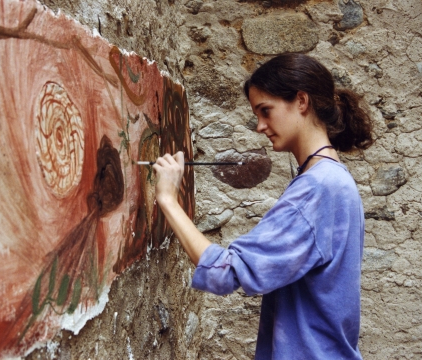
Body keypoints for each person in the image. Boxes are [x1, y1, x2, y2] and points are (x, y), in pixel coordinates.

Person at [152, 53, 375, 359]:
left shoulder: (318, 188)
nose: (259, 126)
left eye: (266, 111)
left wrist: (167, 199)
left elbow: (225, 272)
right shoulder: (333, 178)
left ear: (301, 101)